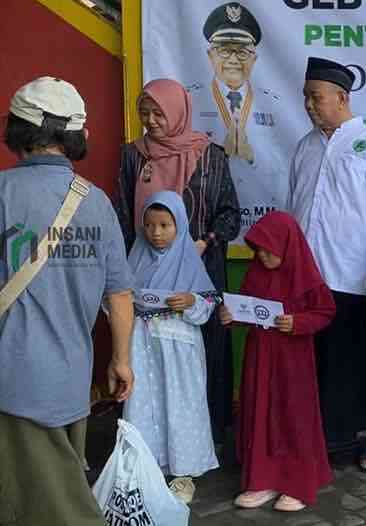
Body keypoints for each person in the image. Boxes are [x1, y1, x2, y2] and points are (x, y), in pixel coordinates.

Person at [0, 77, 135, 525]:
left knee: (45, 509)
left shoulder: (3, 194)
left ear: (17, 130)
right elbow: (119, 293)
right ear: (79, 136)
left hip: (14, 385)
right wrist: (121, 360)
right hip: (73, 382)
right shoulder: (96, 203)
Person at [288, 56, 366, 472]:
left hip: (353, 279)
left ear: (341, 97)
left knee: (354, 363)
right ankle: (318, 438)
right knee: (312, 364)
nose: (309, 105)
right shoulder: (304, 148)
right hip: (307, 279)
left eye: (316, 97)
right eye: (305, 98)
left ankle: (364, 438)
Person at [115, 78, 241, 445]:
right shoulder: (133, 154)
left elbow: (230, 213)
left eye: (158, 113)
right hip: (147, 268)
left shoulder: (209, 155)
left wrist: (203, 242)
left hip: (199, 265)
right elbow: (123, 211)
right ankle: (151, 436)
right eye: (145, 113)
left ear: (177, 111)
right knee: (147, 350)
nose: (152, 121)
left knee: (206, 344)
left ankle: (209, 435)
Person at [219, 211, 336, 512]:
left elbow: (325, 312)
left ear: (286, 244)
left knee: (292, 416)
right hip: (260, 358)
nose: (262, 254)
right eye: (257, 248)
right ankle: (262, 479)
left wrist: (297, 322)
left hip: (293, 362)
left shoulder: (306, 275)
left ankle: (296, 482)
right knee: (260, 412)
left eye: (267, 248)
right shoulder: (256, 272)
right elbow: (245, 306)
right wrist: (230, 316)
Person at [125, 191, 221, 503]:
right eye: (150, 225)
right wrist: (128, 304)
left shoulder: (189, 261)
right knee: (144, 404)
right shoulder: (135, 258)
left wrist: (191, 300)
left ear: (179, 225)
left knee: (181, 405)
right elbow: (115, 300)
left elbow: (207, 305)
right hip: (142, 346)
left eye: (165, 225)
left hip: (179, 348)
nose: (156, 233)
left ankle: (183, 473)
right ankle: (144, 468)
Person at [193, 1, 287, 232]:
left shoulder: (277, 105)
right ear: (210, 55)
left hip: (261, 219)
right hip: (206, 221)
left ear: (254, 58)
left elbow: (285, 171)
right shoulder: (188, 102)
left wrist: (252, 157)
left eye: (242, 51)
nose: (233, 59)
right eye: (224, 49)